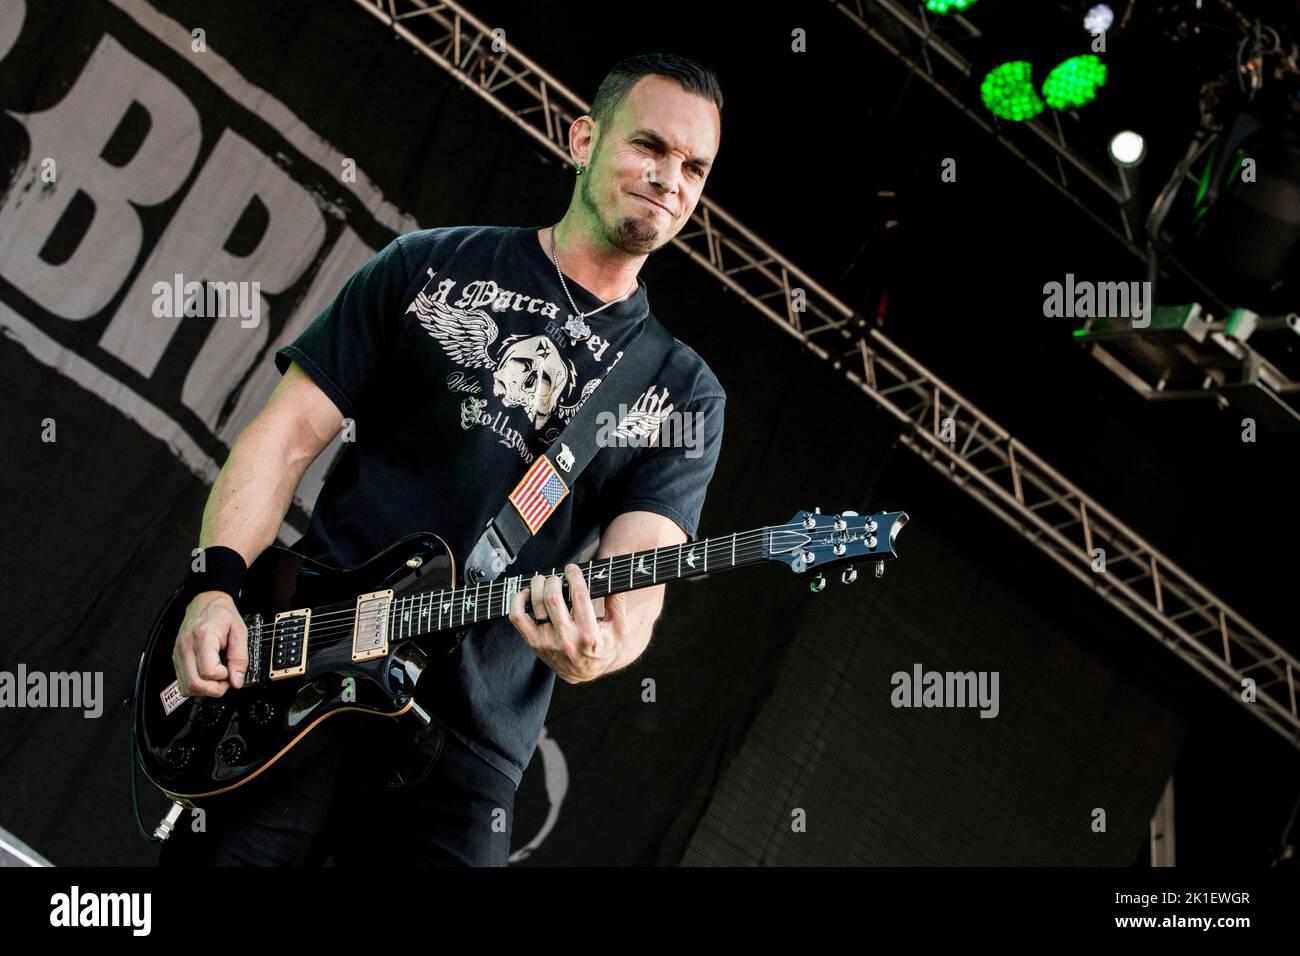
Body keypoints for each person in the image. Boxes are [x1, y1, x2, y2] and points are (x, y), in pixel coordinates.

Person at [158, 53, 727, 866]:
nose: (671, 178)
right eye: (650, 147)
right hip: (305, 673)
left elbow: (636, 590)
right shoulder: (430, 265)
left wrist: (600, 648)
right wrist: (215, 588)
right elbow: (283, 438)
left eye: (694, 166)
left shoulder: (681, 391)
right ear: (582, 140)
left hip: (464, 756)